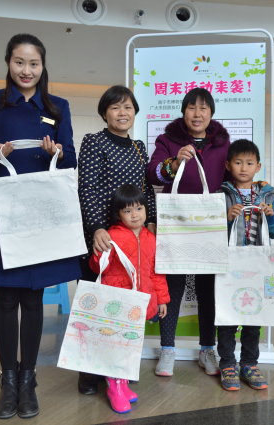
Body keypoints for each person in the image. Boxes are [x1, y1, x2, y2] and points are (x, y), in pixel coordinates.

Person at [0, 33, 80, 420]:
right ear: (8, 62)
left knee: (33, 299)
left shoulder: (57, 107)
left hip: (42, 209)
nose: (26, 70)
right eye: (20, 62)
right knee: (6, 299)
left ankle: (29, 380)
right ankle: (8, 381)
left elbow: (70, 159)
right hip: (4, 207)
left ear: (42, 66)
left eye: (34, 64)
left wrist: (58, 151)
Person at [77, 85, 157, 395]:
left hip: (133, 237)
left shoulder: (138, 147)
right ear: (104, 113)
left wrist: (150, 222)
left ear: (135, 112)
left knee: (127, 304)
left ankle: (119, 367)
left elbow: (146, 190)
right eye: (115, 107)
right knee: (95, 305)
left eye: (128, 107)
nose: (122, 113)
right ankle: (88, 372)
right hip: (102, 237)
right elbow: (87, 187)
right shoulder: (94, 141)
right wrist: (97, 228)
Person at [146, 87, 230, 377]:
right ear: (183, 111)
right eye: (192, 108)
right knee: (172, 287)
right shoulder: (168, 140)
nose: (197, 113)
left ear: (211, 113)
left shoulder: (222, 143)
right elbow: (152, 173)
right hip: (176, 222)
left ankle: (207, 349)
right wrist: (173, 163)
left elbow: (233, 175)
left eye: (203, 108)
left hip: (210, 223)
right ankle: (167, 349)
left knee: (207, 289)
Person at [89, 184, 170, 414]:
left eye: (139, 208)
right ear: (118, 214)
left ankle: (122, 383)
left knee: (131, 345)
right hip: (117, 303)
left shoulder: (150, 238)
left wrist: (161, 298)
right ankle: (114, 387)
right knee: (116, 345)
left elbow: (156, 273)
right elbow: (98, 268)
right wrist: (99, 254)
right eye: (127, 210)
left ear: (146, 210)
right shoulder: (112, 236)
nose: (135, 214)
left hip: (139, 302)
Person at [217, 139, 274, 391]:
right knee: (226, 316)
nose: (243, 168)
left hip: (258, 266)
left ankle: (249, 363)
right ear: (228, 165)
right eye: (237, 162)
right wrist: (226, 219)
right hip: (228, 265)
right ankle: (227, 363)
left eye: (249, 163)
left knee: (254, 314)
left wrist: (271, 216)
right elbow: (211, 231)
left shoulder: (268, 196)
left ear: (258, 167)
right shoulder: (221, 194)